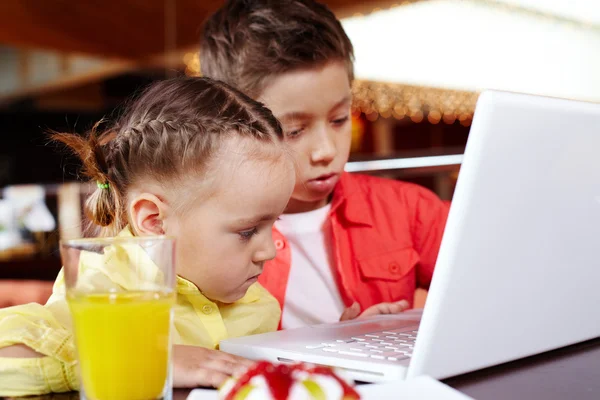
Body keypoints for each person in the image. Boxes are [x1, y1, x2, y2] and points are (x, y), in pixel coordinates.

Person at [0, 77, 295, 396]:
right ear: (154, 221)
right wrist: (143, 360)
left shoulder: (257, 304)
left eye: (273, 223)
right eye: (248, 231)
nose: (269, 251)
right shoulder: (103, 288)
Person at [200, 0, 450, 329]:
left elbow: (492, 284)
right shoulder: (197, 230)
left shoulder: (410, 210)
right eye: (294, 130)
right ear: (229, 126)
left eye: (339, 119)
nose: (325, 151)